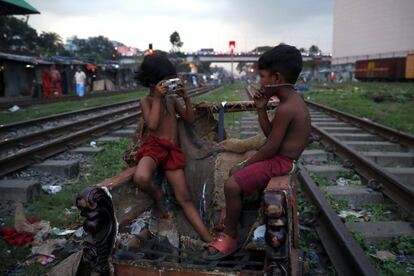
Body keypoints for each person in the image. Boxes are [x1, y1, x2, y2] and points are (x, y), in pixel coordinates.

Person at [205, 44, 311, 259]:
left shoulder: (287, 108)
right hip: (280, 157)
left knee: (232, 183)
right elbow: (272, 134)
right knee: (235, 174)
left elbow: (271, 146)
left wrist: (245, 164)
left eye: (262, 77)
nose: (260, 81)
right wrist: (261, 108)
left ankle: (230, 236)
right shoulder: (290, 101)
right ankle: (233, 217)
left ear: (276, 77)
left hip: (281, 161)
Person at [133, 53, 213, 243]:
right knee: (141, 177)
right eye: (165, 80)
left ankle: (207, 238)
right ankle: (158, 197)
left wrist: (185, 97)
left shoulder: (171, 100)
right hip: (153, 148)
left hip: (172, 152)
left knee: (184, 198)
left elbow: (189, 119)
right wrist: (158, 99)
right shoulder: (147, 101)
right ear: (153, 82)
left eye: (170, 80)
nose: (168, 84)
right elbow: (152, 125)